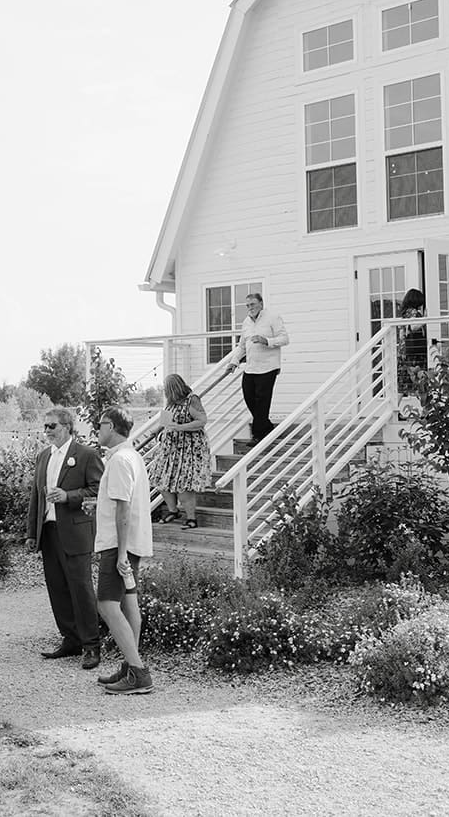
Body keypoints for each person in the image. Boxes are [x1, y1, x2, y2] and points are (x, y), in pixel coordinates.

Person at [24, 407, 105, 669]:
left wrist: (69, 496)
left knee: (81, 589)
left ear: (67, 427)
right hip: (49, 531)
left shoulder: (86, 455)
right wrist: (31, 533)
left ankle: (92, 646)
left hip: (76, 531)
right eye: (45, 426)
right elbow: (36, 496)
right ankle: (70, 639)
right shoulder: (43, 456)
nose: (47, 431)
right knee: (57, 588)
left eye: (52, 426)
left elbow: (98, 489)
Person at [92, 405, 155, 695]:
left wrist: (119, 554)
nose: (98, 427)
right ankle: (132, 666)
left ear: (113, 427)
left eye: (102, 423)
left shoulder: (118, 461)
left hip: (119, 544)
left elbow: (123, 509)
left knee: (106, 604)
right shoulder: (132, 456)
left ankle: (138, 672)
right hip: (131, 542)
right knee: (130, 604)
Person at [145, 374, 213, 530]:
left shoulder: (192, 399)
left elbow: (201, 421)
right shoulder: (171, 403)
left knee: (184, 486)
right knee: (159, 478)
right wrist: (156, 430)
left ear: (174, 388)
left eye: (167, 389)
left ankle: (191, 519)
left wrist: (181, 427)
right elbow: (166, 421)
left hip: (188, 449)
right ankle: (173, 511)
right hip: (170, 449)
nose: (165, 392)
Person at [225, 293, 290, 445]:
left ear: (261, 304)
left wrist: (266, 340)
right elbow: (242, 346)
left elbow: (285, 338)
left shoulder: (273, 317)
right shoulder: (246, 322)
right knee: (249, 397)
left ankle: (258, 435)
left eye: (252, 304)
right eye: (247, 305)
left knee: (262, 401)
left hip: (268, 367)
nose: (250, 308)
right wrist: (234, 362)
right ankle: (266, 427)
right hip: (251, 367)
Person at [398, 288, 428, 394]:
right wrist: (425, 318)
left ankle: (396, 407)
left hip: (404, 351)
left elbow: (402, 333)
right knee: (418, 381)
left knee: (404, 384)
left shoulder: (404, 313)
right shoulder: (414, 312)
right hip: (414, 352)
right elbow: (413, 327)